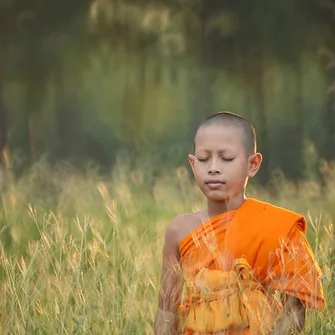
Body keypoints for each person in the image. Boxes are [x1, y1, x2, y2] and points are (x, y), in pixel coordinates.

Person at [154, 111, 326, 335]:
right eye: (204, 159)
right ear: (193, 164)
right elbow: (166, 312)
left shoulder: (277, 227)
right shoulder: (179, 230)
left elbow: (295, 311)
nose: (213, 167)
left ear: (252, 164)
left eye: (226, 158)